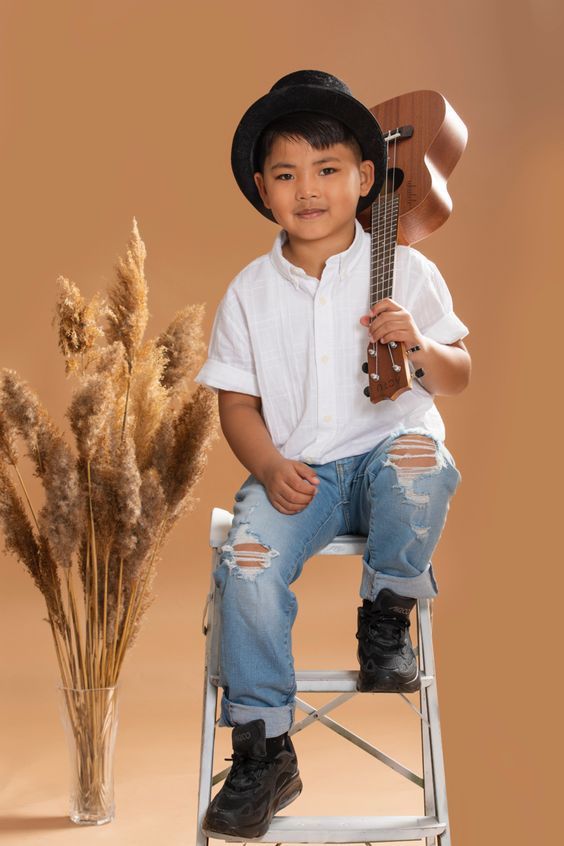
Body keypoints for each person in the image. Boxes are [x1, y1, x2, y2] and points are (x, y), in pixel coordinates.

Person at [195, 69, 471, 840]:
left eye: (327, 170)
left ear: (365, 180)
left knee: (420, 464)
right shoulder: (250, 291)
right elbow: (237, 402)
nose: (307, 189)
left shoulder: (406, 269)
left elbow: (460, 372)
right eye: (286, 174)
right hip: (301, 475)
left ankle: (386, 614)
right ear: (262, 188)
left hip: (388, 452)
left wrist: (416, 342)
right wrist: (267, 465)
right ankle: (264, 748)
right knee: (246, 562)